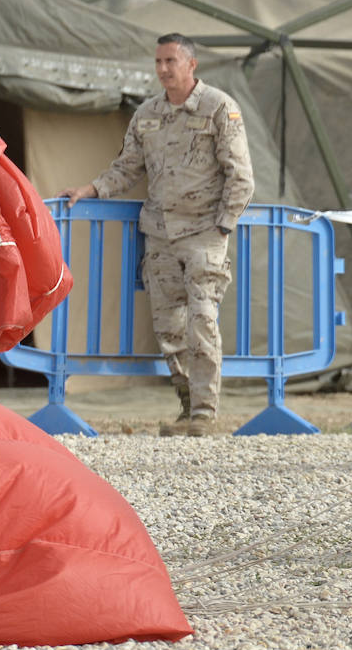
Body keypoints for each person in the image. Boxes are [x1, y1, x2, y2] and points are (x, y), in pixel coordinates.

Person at [61, 33, 254, 437]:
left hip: (204, 234)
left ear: (191, 65)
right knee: (168, 328)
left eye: (171, 61)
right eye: (158, 62)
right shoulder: (147, 114)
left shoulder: (219, 107)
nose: (163, 69)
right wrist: (90, 189)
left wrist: (223, 225)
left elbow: (241, 176)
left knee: (202, 320)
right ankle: (186, 405)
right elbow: (127, 167)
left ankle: (204, 411)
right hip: (161, 234)